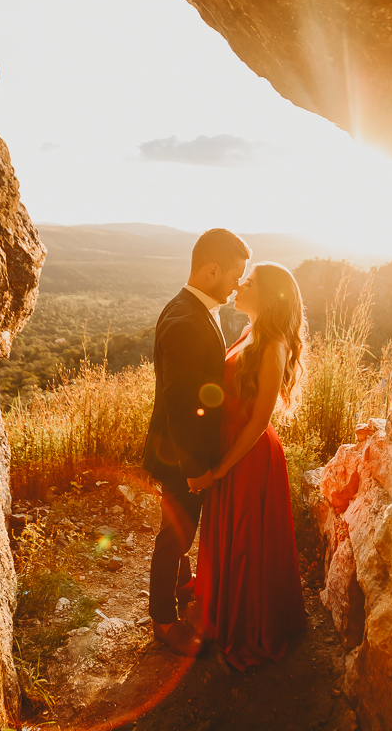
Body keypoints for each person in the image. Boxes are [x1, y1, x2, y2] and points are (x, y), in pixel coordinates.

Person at [186, 262, 308, 670]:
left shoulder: (273, 346)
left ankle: (247, 627)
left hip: (250, 455)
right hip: (229, 448)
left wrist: (220, 469)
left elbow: (259, 421)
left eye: (249, 282)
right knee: (228, 535)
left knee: (244, 543)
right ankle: (221, 610)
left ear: (268, 297)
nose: (239, 284)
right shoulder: (249, 333)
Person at [143, 228, 250, 656]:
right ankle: (164, 620)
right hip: (179, 457)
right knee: (175, 536)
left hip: (180, 452)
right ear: (211, 269)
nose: (237, 285)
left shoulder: (194, 307)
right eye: (234, 276)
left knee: (180, 534)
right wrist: (194, 469)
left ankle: (182, 584)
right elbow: (182, 405)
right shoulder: (186, 320)